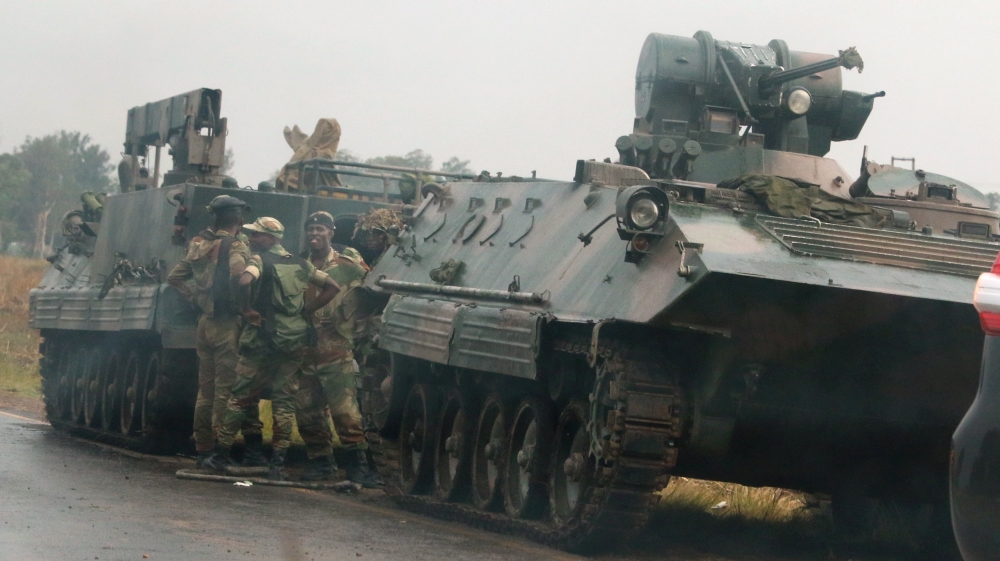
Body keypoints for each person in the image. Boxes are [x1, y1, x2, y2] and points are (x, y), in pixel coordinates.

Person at [202, 217, 340, 480]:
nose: (252, 239)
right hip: (294, 339)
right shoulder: (301, 263)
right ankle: (277, 464)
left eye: (257, 235)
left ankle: (219, 455)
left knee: (239, 397)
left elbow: (244, 281)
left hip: (262, 339)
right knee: (284, 401)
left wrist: (246, 310)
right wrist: (306, 310)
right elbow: (332, 286)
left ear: (271, 238)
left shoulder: (259, 260)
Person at [165, 195, 266, 468]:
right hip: (227, 324)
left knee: (205, 392)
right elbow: (238, 276)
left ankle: (202, 449)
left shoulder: (199, 243)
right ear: (239, 219)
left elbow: (174, 278)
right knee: (225, 391)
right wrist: (245, 309)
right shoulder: (236, 245)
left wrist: (197, 298)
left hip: (204, 323)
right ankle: (219, 451)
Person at [293, 212, 381, 486]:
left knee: (345, 411)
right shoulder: (300, 265)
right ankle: (321, 462)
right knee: (306, 409)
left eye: (320, 229)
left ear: (331, 233)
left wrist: (361, 328)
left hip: (337, 345)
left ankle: (358, 464)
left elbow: (372, 290)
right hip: (305, 347)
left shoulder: (348, 263)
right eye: (310, 229)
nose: (314, 234)